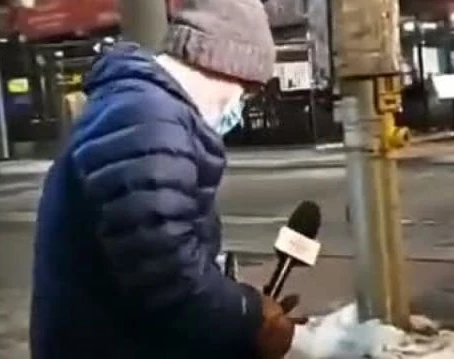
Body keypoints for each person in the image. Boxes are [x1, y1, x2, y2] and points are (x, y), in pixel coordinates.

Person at [29, 0, 304, 358]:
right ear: (229, 66)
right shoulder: (147, 119)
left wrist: (241, 311)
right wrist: (253, 318)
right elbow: (167, 277)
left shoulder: (147, 112)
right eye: (248, 90)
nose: (242, 103)